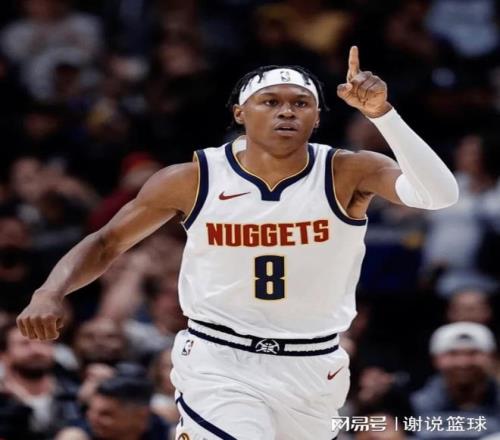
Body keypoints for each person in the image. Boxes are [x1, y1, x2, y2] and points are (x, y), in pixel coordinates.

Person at [16, 46, 459, 439]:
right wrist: (49, 291)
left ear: (317, 117)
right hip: (220, 358)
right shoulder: (193, 179)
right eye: (271, 101)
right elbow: (106, 243)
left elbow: (440, 195)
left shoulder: (348, 171)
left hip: (314, 363)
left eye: (301, 103)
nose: (287, 112)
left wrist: (382, 114)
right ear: (240, 113)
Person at [411, 322, 500, 439]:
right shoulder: (412, 405)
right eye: (453, 354)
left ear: (492, 357)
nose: (463, 363)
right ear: (435, 359)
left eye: (473, 353)